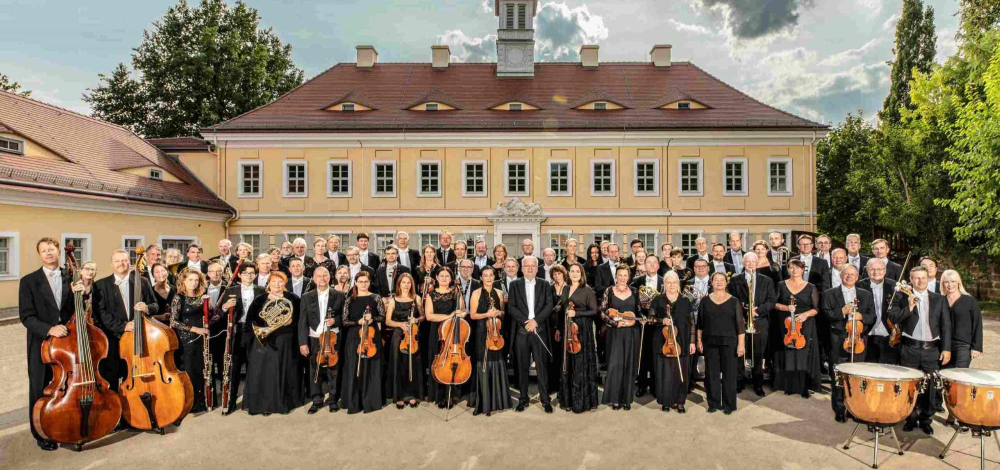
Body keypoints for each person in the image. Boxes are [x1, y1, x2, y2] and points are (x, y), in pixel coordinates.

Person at [19, 237, 77, 450]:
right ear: (40, 255)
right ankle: (41, 432)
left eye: (51, 249)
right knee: (40, 387)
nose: (49, 253)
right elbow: (26, 316)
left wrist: (83, 292)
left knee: (66, 386)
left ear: (58, 251)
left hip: (67, 343)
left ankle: (66, 423)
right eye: (44, 250)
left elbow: (74, 308)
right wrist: (49, 328)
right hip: (41, 344)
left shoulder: (70, 276)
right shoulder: (28, 281)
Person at [890, 266, 951, 435]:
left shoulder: (939, 299)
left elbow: (946, 326)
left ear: (928, 278)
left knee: (930, 386)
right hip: (909, 348)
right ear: (911, 279)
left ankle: (925, 420)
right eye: (916, 278)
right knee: (910, 385)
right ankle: (910, 418)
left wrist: (946, 349)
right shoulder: (902, 296)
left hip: (931, 350)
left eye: (923, 277)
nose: (920, 281)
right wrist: (909, 307)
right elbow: (893, 317)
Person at [95, 249, 158, 393]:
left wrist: (147, 308)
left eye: (124, 260)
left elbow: (155, 305)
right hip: (113, 339)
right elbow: (101, 314)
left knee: (132, 374)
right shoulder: (101, 285)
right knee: (112, 376)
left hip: (138, 338)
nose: (121, 264)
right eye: (117, 261)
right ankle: (115, 410)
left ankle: (134, 408)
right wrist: (123, 326)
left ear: (129, 262)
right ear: (112, 264)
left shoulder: (142, 281)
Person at [821, 265, 875, 423]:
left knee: (856, 377)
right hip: (838, 340)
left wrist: (862, 317)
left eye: (852, 274)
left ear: (857, 277)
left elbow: (872, 316)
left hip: (858, 341)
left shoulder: (866, 295)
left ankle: (854, 408)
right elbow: (825, 314)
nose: (849, 277)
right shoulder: (829, 293)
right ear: (841, 276)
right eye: (846, 274)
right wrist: (841, 312)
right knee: (837, 377)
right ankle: (839, 409)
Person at [244, 271, 303, 415]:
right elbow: (250, 320)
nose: (277, 285)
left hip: (286, 339)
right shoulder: (260, 299)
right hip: (266, 340)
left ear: (284, 283)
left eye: (280, 282)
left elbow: (300, 317)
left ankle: (283, 404)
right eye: (274, 282)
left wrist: (291, 320)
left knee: (284, 370)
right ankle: (265, 405)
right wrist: (264, 326)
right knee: (266, 372)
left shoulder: (293, 298)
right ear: (268, 284)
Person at [169, 270, 221, 413]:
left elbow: (214, 318)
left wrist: (210, 306)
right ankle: (191, 404)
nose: (194, 283)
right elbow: (173, 322)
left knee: (204, 369)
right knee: (190, 370)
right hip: (187, 341)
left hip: (202, 339)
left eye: (196, 280)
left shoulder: (202, 297)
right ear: (183, 281)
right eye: (190, 280)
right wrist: (195, 329)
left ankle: (205, 401)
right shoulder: (178, 298)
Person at [507, 256, 555, 413]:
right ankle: (523, 399)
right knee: (522, 366)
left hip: (539, 330)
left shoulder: (545, 284)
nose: (529, 268)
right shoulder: (514, 285)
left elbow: (549, 306)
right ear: (522, 268)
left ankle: (545, 399)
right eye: (526, 266)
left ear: (536, 268)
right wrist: (526, 323)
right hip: (521, 331)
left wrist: (536, 321)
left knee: (542, 366)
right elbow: (512, 308)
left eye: (532, 266)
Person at [297, 266, 345, 414]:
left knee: (333, 370)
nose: (322, 278)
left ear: (329, 277)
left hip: (332, 337)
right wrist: (303, 342)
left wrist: (335, 321)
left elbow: (344, 317)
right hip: (314, 337)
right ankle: (316, 400)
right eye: (319, 276)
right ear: (314, 278)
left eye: (325, 275)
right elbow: (302, 321)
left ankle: (333, 400)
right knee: (314, 371)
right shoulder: (306, 296)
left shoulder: (340, 295)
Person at [727, 252, 776, 397]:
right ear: (743, 263)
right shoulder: (735, 280)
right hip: (741, 321)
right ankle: (739, 381)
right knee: (740, 352)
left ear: (757, 263)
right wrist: (741, 312)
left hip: (759, 321)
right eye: (747, 261)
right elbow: (731, 299)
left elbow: (772, 300)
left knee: (758, 353)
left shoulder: (766, 280)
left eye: (753, 261)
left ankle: (758, 383)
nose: (750, 264)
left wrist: (758, 311)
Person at [697, 272, 746, 414]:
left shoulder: (734, 301)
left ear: (726, 282)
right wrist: (699, 340)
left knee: (729, 375)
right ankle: (713, 403)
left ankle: (729, 404)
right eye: (716, 280)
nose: (719, 282)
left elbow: (740, 326)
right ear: (711, 282)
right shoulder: (705, 301)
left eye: (722, 280)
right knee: (711, 374)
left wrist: (741, 344)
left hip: (730, 343)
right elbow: (700, 323)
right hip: (709, 342)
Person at [773, 258, 821, 398]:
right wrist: (786, 307)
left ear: (803, 270)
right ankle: (788, 385)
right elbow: (774, 303)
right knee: (787, 353)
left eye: (798, 268)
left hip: (804, 325)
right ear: (788, 269)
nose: (795, 270)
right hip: (786, 324)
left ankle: (803, 386)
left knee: (802, 354)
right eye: (792, 267)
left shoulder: (811, 287)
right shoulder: (781, 285)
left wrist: (806, 314)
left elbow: (816, 309)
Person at [941, 269, 983, 427]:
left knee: (961, 381)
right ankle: (951, 413)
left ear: (958, 282)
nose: (950, 285)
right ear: (943, 284)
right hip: (944, 346)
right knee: (948, 382)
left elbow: (977, 324)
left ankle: (962, 416)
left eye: (952, 281)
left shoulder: (969, 300)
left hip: (963, 346)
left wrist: (976, 346)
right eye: (946, 282)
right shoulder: (941, 300)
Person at [555, 263, 600, 413]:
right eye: (572, 271)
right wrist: (558, 328)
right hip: (568, 330)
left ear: (581, 274)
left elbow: (594, 311)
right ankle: (568, 400)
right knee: (568, 362)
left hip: (582, 330)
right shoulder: (566, 289)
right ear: (568, 273)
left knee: (580, 363)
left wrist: (578, 314)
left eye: (577, 271)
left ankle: (581, 402)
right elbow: (562, 309)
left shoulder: (587, 291)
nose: (574, 274)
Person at [468, 266, 512, 416]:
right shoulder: (476, 293)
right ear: (481, 277)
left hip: (496, 333)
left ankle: (498, 401)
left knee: (497, 360)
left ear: (494, 277)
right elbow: (473, 315)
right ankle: (484, 402)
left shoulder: (499, 292)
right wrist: (487, 314)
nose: (488, 278)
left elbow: (504, 314)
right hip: (481, 332)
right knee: (483, 362)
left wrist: (499, 312)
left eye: (491, 275)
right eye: (485, 275)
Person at [339, 270, 385, 414]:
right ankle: (354, 401)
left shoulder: (376, 298)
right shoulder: (350, 299)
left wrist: (373, 319)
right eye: (361, 282)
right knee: (354, 367)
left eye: (366, 281)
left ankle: (371, 400)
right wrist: (357, 321)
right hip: (354, 336)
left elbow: (382, 317)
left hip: (371, 335)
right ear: (356, 283)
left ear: (369, 283)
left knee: (371, 367)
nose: (363, 284)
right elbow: (345, 321)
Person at [650, 271, 695, 413]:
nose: (671, 285)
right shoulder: (658, 299)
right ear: (664, 284)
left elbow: (692, 322)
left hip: (682, 340)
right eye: (668, 282)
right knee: (664, 372)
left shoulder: (685, 300)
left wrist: (692, 342)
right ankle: (666, 401)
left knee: (681, 372)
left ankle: (680, 401)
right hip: (662, 342)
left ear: (678, 284)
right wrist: (661, 320)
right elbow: (650, 319)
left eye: (674, 282)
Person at [222, 263, 263, 415]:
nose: (249, 276)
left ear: (256, 275)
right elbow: (218, 314)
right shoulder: (230, 291)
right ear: (239, 275)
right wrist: (226, 306)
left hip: (254, 332)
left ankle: (252, 402)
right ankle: (231, 402)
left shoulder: (261, 290)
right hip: (237, 332)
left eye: (252, 273)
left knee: (254, 368)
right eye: (245, 273)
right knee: (234, 369)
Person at [424, 266, 467, 409]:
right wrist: (449, 316)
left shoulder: (456, 293)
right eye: (441, 276)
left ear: (451, 278)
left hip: (453, 331)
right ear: (436, 278)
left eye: (447, 276)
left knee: (453, 361)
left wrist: (460, 314)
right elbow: (429, 316)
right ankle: (439, 395)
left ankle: (453, 393)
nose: (444, 278)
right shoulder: (431, 294)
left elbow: (463, 311)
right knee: (439, 361)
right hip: (437, 332)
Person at [600, 264, 640, 410]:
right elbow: (602, 312)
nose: (622, 278)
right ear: (616, 276)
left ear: (628, 277)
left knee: (628, 364)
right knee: (615, 364)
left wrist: (637, 321)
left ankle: (626, 399)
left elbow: (639, 312)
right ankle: (615, 398)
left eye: (625, 275)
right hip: (614, 332)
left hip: (631, 333)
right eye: (620, 275)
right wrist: (614, 323)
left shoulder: (635, 291)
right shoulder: (609, 291)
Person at [384, 272, 425, 410]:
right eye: (403, 282)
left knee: (412, 364)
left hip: (413, 335)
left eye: (408, 282)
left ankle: (412, 395)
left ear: (411, 284)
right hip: (398, 335)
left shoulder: (417, 298)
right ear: (399, 284)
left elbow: (423, 316)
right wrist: (400, 325)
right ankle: (399, 396)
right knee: (398, 364)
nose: (406, 285)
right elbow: (388, 321)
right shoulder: (393, 300)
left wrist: (416, 319)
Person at [631, 255, 663, 398]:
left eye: (654, 262)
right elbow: (633, 302)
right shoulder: (637, 281)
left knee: (657, 355)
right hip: (642, 323)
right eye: (648, 262)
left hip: (658, 324)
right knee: (642, 356)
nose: (651, 265)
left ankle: (656, 386)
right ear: (644, 265)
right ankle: (642, 385)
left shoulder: (664, 282)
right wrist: (640, 316)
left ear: (658, 265)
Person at [857, 258, 899, 365]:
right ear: (867, 270)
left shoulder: (895, 286)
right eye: (872, 269)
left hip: (889, 335)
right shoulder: (859, 286)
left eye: (880, 269)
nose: (876, 272)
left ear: (885, 270)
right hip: (866, 334)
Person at [549, 264, 569, 393]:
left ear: (563, 274)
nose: (557, 276)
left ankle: (564, 384)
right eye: (554, 274)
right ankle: (553, 384)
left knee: (564, 354)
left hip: (564, 324)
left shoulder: (568, 288)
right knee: (553, 355)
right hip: (551, 323)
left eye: (559, 273)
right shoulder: (549, 288)